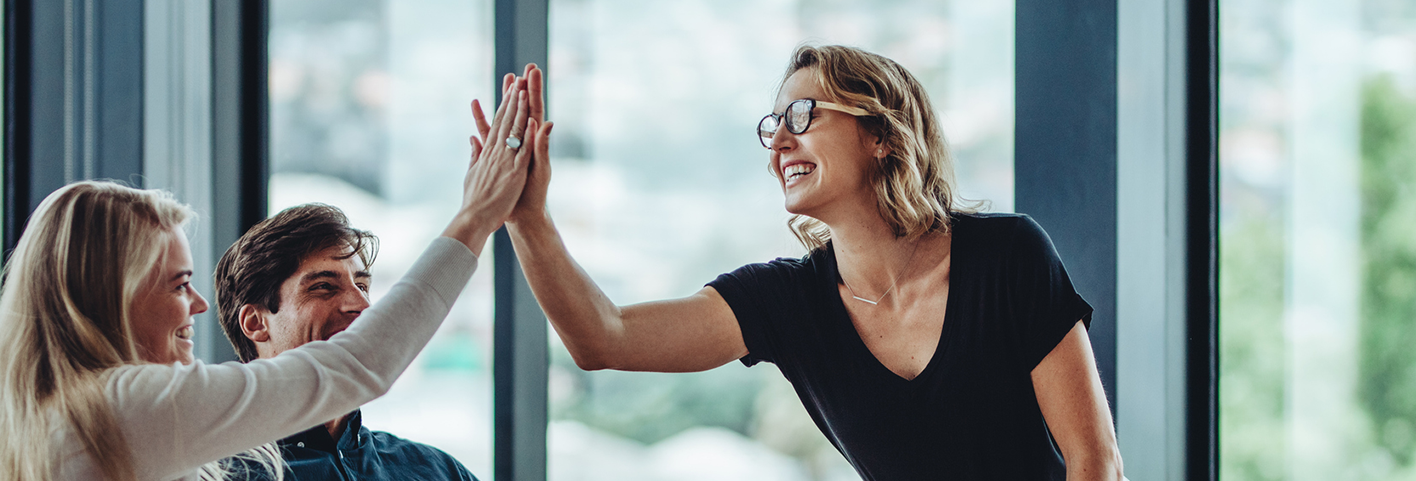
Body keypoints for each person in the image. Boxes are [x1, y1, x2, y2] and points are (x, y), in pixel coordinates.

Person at [480, 46, 1123, 480]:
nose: (780, 141)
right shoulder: (786, 303)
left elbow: (1096, 467)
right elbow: (602, 338)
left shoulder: (1008, 257)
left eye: (803, 115)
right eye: (773, 125)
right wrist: (527, 217)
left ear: (880, 135)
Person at [0, 73, 541, 480]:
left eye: (362, 283)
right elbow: (356, 367)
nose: (196, 304)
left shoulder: (38, 421)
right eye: (175, 282)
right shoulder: (122, 412)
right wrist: (475, 217)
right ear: (110, 295)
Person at [212, 203, 477, 480]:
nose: (362, 305)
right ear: (256, 323)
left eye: (362, 286)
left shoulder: (438, 470)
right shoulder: (214, 474)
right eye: (324, 286)